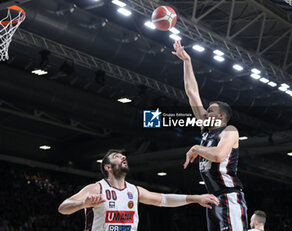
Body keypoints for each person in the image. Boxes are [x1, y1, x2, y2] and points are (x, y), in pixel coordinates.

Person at [172, 40, 248, 231]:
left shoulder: (230, 131)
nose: (205, 113)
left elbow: (218, 155)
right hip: (213, 198)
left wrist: (196, 148)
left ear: (221, 116)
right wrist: (187, 61)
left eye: (210, 111)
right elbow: (192, 92)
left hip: (229, 195)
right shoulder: (207, 130)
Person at [58, 149, 219, 231]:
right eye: (117, 156)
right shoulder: (97, 188)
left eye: (123, 157)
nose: (123, 158)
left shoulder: (134, 191)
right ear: (108, 167)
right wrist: (82, 204)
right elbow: (63, 208)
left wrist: (196, 198)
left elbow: (163, 200)